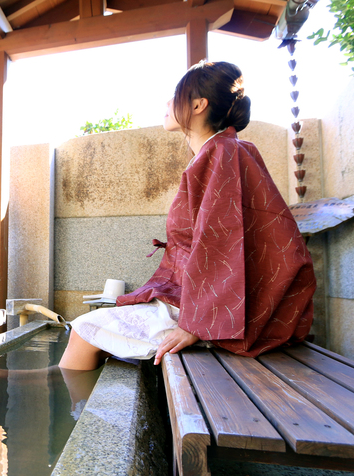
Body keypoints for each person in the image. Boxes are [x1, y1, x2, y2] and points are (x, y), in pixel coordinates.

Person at [59, 61, 316, 371]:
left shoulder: (222, 153)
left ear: (198, 104)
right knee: (88, 330)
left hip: (213, 315)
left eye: (175, 95)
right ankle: (55, 379)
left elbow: (221, 245)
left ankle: (71, 408)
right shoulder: (224, 151)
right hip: (207, 306)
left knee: (85, 330)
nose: (168, 104)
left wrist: (196, 325)